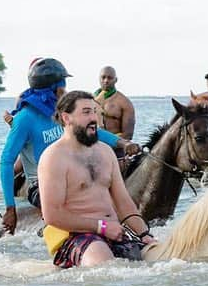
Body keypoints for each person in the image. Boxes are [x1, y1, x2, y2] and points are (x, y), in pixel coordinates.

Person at [0, 57, 138, 235]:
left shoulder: (62, 112)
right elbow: (6, 161)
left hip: (71, 175)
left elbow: (92, 130)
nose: (65, 90)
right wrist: (10, 208)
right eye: (63, 85)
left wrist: (123, 143)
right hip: (41, 184)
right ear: (54, 88)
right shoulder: (24, 119)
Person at [38, 91, 157, 268]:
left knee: (163, 257)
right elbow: (52, 215)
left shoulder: (106, 152)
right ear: (66, 118)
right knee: (105, 266)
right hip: (77, 236)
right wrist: (101, 227)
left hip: (115, 232)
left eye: (95, 111)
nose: (94, 118)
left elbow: (123, 203)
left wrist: (144, 234)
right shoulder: (54, 157)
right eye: (86, 112)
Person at [93, 66, 136, 141]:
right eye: (103, 77)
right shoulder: (90, 100)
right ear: (99, 78)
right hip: (92, 145)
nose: (106, 81)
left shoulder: (124, 103)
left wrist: (109, 142)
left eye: (110, 78)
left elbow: (128, 134)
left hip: (115, 146)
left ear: (115, 80)